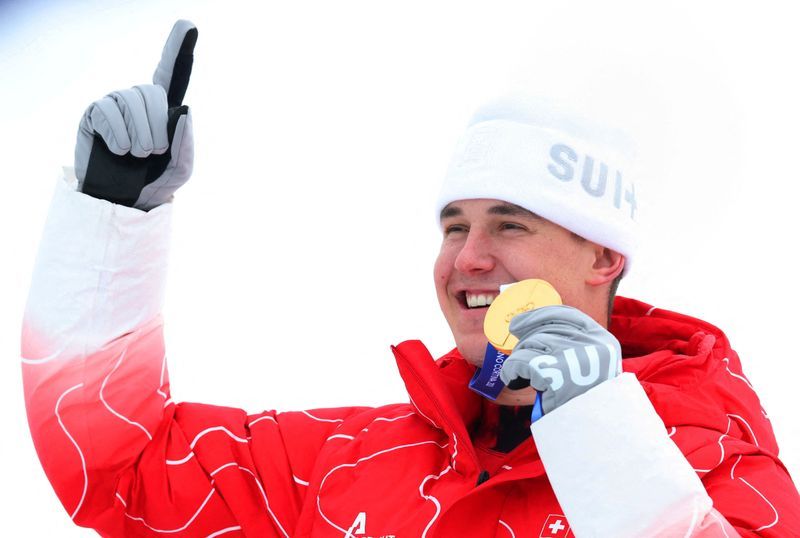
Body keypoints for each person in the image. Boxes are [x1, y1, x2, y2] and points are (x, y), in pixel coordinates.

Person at [21, 20, 800, 538]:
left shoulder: (714, 454)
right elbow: (121, 474)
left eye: (511, 223)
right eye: (454, 226)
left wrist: (598, 428)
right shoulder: (350, 461)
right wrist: (112, 217)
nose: (468, 258)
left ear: (604, 258)